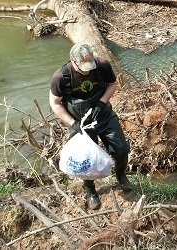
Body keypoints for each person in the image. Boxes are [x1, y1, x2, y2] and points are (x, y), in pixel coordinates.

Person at [49, 43, 131, 210]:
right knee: (85, 160)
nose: (87, 71)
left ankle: (121, 176)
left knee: (121, 149)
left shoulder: (101, 66)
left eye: (89, 66)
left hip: (104, 116)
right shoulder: (61, 77)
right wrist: (74, 124)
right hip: (80, 124)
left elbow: (112, 84)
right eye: (83, 68)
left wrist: (101, 103)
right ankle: (91, 191)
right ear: (73, 61)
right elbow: (55, 103)